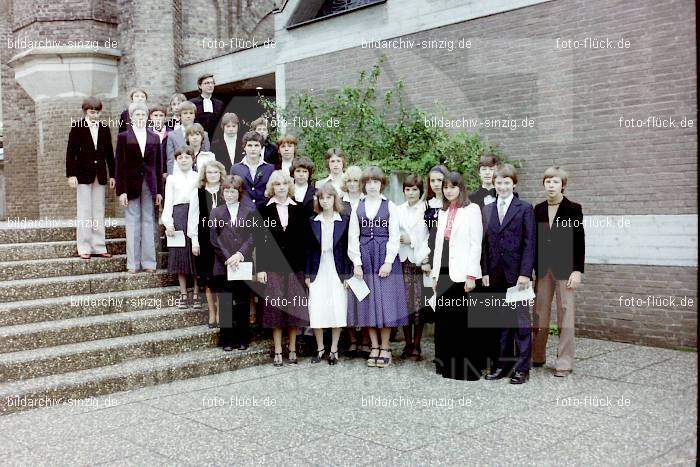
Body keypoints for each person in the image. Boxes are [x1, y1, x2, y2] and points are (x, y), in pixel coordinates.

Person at [348, 166, 408, 368]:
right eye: (368, 182)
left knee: (386, 303)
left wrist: (389, 261)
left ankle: (386, 346)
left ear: (381, 184)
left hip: (384, 258)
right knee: (368, 303)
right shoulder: (358, 206)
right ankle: (374, 346)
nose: (372, 186)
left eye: (376, 182)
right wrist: (356, 262)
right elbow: (353, 237)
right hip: (365, 257)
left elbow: (394, 236)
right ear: (364, 184)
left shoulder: (390, 206)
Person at [482, 164, 536, 385]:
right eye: (498, 182)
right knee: (500, 324)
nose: (502, 186)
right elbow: (484, 245)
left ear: (514, 184)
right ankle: (502, 365)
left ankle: (522, 369)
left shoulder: (524, 208)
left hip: (517, 277)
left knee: (521, 324)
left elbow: (530, 243)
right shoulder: (487, 210)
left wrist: (525, 273)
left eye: (506, 182)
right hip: (495, 274)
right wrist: (484, 272)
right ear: (493, 185)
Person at [532, 166, 585, 377]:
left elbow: (579, 241)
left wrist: (577, 271)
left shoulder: (573, 208)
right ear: (543, 184)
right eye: (548, 181)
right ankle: (536, 355)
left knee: (566, 314)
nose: (551, 185)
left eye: (555, 182)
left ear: (563, 184)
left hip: (565, 269)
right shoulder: (538, 209)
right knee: (539, 314)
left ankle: (564, 361)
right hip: (543, 269)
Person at [431, 172, 484, 380]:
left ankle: (467, 369)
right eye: (445, 187)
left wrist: (472, 275)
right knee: (445, 322)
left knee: (463, 322)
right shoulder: (442, 211)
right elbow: (438, 246)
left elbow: (475, 243)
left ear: (461, 188)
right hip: (444, 270)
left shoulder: (472, 210)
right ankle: (447, 366)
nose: (448, 190)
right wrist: (435, 274)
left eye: (452, 187)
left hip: (463, 273)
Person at [256, 170, 309, 366]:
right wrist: (260, 268)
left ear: (289, 186)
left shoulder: (300, 209)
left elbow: (305, 242)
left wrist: (306, 271)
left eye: (284, 184)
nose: (280, 187)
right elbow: (259, 242)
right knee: (275, 311)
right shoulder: (263, 209)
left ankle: (293, 349)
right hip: (272, 267)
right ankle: (278, 350)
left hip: (295, 268)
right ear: (272, 187)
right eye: (277, 184)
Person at [305, 183, 352, 365]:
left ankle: (334, 350)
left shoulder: (345, 220)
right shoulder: (312, 221)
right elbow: (308, 251)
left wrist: (348, 275)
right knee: (316, 309)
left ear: (335, 199)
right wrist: (308, 275)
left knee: (337, 308)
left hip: (337, 270)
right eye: (322, 198)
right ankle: (320, 349)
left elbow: (349, 249)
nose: (325, 201)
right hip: (318, 270)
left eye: (329, 197)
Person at [115, 101, 163, 273]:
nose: (141, 117)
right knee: (133, 222)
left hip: (149, 185)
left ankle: (149, 262)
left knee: (149, 222)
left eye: (143, 114)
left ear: (147, 117)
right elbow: (119, 166)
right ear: (131, 117)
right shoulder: (123, 137)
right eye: (137, 115)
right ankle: (133, 264)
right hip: (130, 184)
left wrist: (159, 191)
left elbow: (159, 166)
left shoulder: (154, 137)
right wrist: (121, 191)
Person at [209, 175, 256, 351]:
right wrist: (228, 257)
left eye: (233, 191)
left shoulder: (248, 211)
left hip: (242, 262)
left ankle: (243, 338)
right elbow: (214, 240)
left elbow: (253, 236)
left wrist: (240, 254)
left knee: (243, 300)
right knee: (226, 301)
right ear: (222, 193)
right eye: (226, 191)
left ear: (239, 192)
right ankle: (227, 339)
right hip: (224, 263)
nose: (230, 194)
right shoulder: (216, 212)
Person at [66, 97, 115, 260]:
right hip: (82, 175)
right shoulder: (77, 127)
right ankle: (84, 246)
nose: (95, 115)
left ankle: (99, 245)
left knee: (98, 210)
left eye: (97, 112)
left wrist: (113, 174)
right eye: (92, 112)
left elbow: (109, 154)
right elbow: (70, 153)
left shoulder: (104, 128)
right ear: (86, 111)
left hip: (99, 175)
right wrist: (71, 174)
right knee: (85, 211)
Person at [468, 154, 499, 372]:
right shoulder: (471, 198)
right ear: (479, 172)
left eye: (491, 169)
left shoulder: (506, 193)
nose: (487, 173)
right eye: (483, 169)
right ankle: (479, 358)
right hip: (478, 259)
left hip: (498, 259)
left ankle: (497, 357)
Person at [396, 174, 430, 361]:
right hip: (401, 260)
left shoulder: (426, 209)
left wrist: (413, 240)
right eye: (407, 189)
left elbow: (429, 236)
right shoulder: (398, 209)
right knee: (404, 304)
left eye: (414, 189)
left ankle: (417, 345)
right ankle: (407, 344)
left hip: (418, 260)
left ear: (420, 191)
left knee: (418, 304)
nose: (410, 193)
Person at [189, 160, 227, 327]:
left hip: (224, 241)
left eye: (215, 172)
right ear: (204, 175)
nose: (212, 175)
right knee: (208, 279)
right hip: (205, 240)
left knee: (222, 279)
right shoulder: (198, 192)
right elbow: (193, 218)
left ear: (221, 174)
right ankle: (212, 313)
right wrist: (195, 241)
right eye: (209, 172)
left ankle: (222, 313)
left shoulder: (227, 191)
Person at [162, 146, 200, 309]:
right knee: (180, 256)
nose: (184, 160)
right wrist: (168, 223)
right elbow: (168, 201)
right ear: (176, 160)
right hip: (178, 216)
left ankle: (197, 292)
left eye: (187, 157)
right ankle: (184, 293)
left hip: (196, 214)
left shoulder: (198, 177)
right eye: (180, 157)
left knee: (196, 255)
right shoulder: (172, 179)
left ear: (193, 159)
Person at [340, 165, 368, 358]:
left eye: (355, 181)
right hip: (344, 254)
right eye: (349, 180)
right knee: (348, 298)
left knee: (365, 296)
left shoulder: (368, 201)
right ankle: (352, 341)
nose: (352, 184)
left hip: (366, 253)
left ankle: (366, 341)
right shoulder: (340, 202)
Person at [229, 131, 275, 209]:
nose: (253, 149)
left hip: (265, 212)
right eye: (249, 145)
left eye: (256, 145)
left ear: (261, 147)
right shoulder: (235, 169)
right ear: (244, 147)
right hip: (242, 212)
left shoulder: (270, 168)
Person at [165, 101, 211, 176]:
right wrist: (171, 177)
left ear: (195, 115)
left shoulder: (204, 134)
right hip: (179, 175)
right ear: (179, 116)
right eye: (185, 113)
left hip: (200, 175)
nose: (188, 116)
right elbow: (171, 160)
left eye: (191, 113)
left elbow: (206, 156)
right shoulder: (172, 135)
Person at [190, 74, 224, 138]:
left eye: (212, 83)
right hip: (197, 138)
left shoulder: (219, 104)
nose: (210, 85)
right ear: (200, 86)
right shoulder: (192, 103)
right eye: (207, 83)